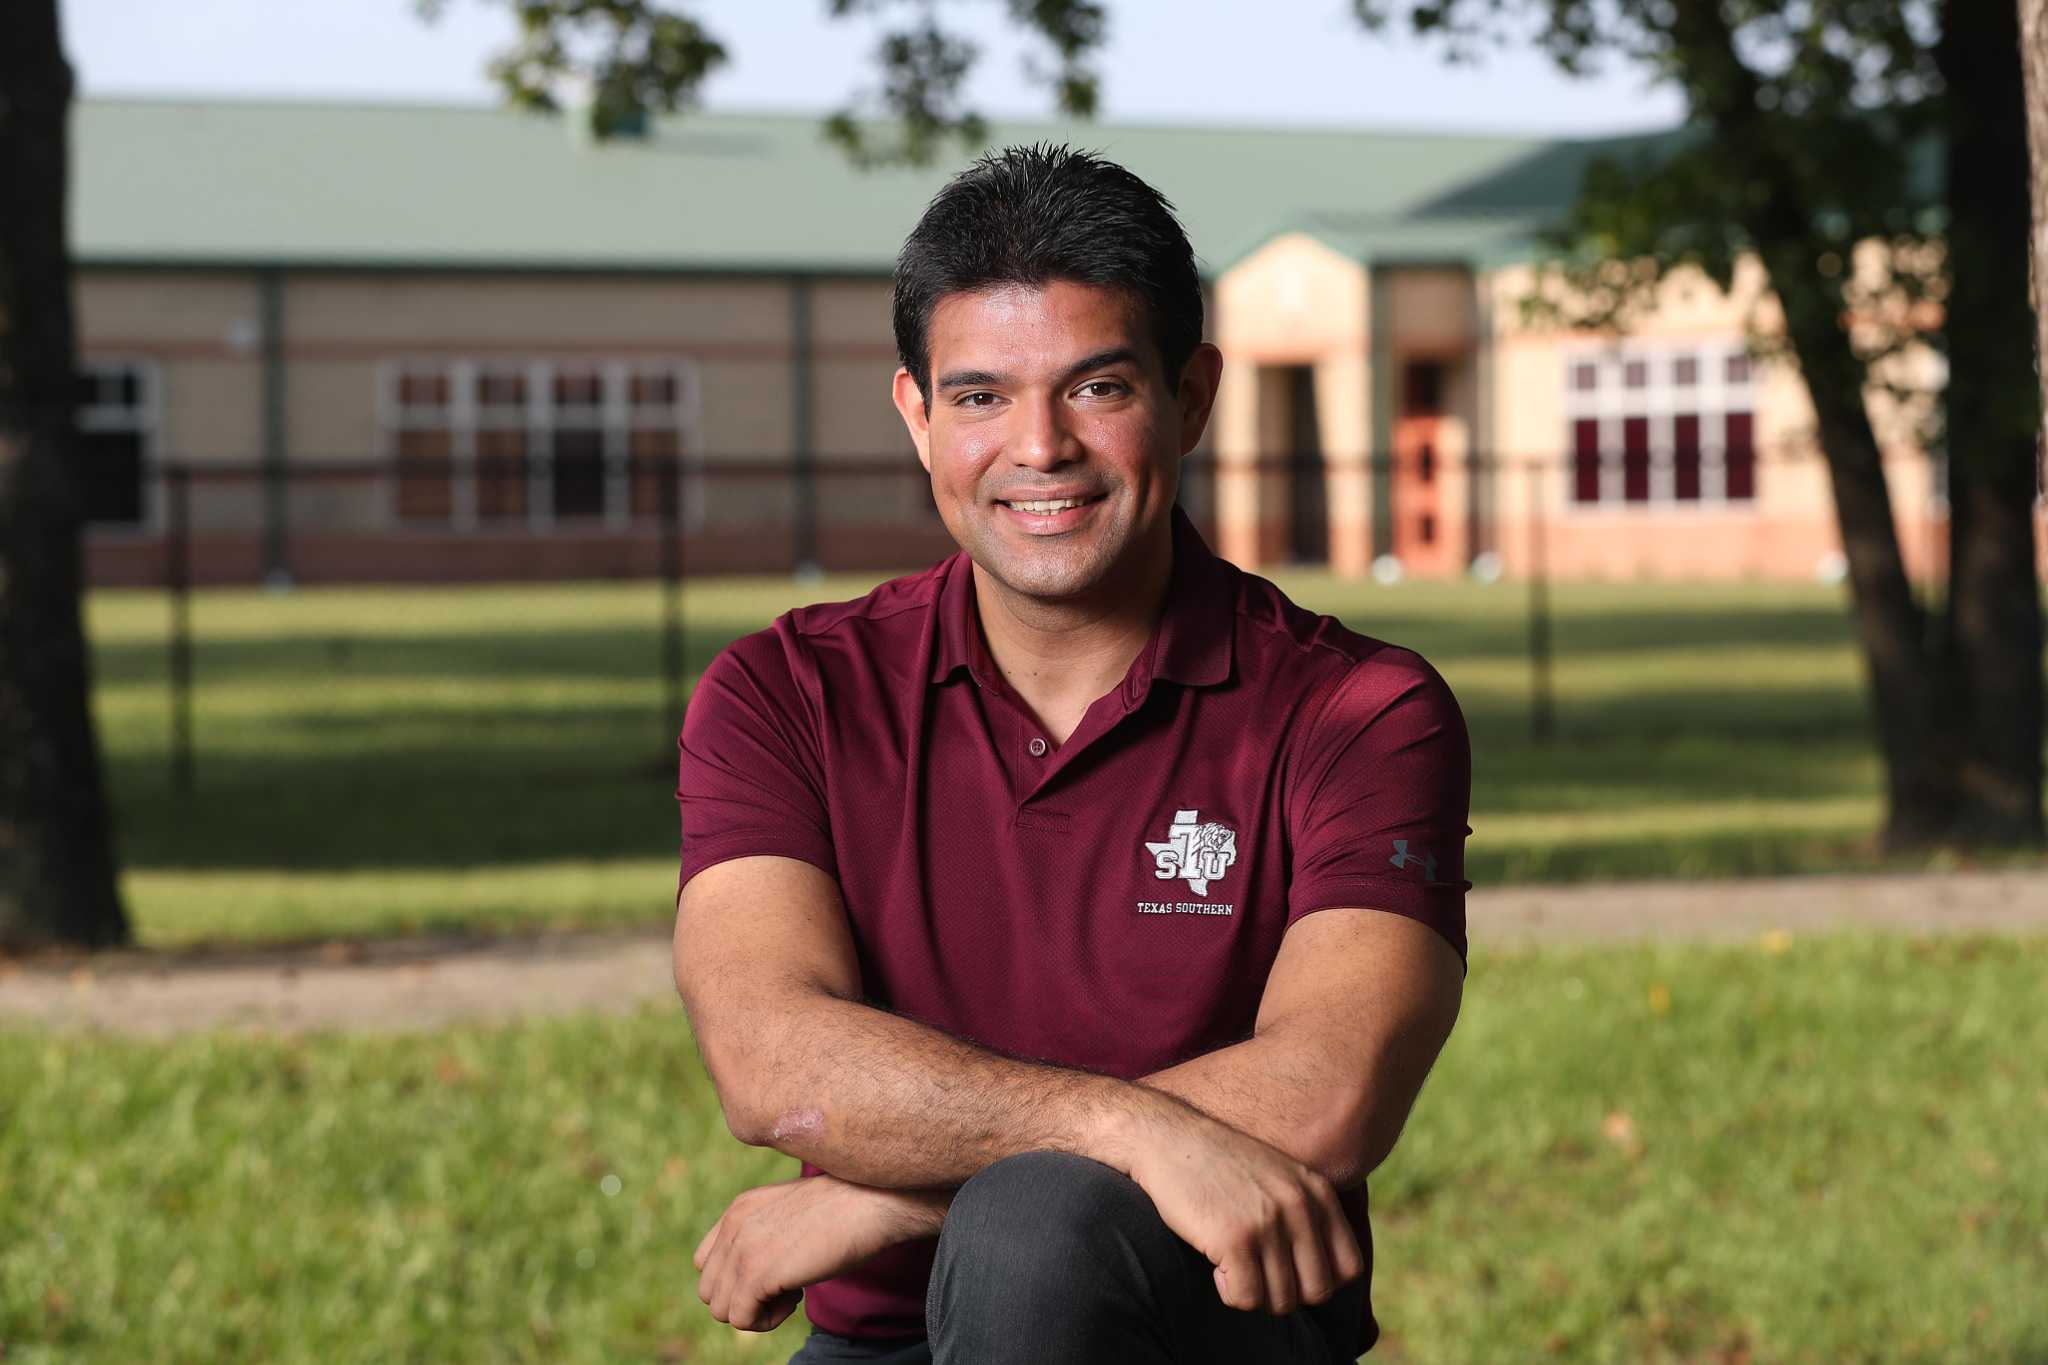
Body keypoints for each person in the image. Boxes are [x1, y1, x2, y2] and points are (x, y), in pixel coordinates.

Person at [674, 142, 1470, 1364]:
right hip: (888, 1341)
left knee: (1036, 1227)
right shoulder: (787, 692)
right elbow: (771, 1062)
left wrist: (885, 1193)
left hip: (1207, 1328)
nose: (1037, 448)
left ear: (1190, 395)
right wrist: (1140, 1128)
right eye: (982, 395)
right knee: (1028, 1211)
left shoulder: (1356, 708)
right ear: (916, 414)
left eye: (1096, 388)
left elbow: (1325, 1091)